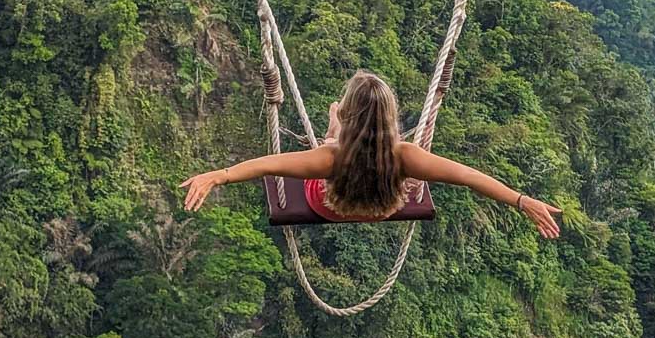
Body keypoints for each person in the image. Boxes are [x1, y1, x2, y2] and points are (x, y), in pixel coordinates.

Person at [182, 69, 561, 238]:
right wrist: (521, 200)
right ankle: (345, 124)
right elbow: (469, 177)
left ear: (352, 114)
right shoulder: (406, 155)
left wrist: (217, 175)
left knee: (330, 143)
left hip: (330, 204)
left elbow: (268, 165)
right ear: (390, 116)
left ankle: (334, 124)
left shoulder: (330, 160)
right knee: (357, 152)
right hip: (384, 206)